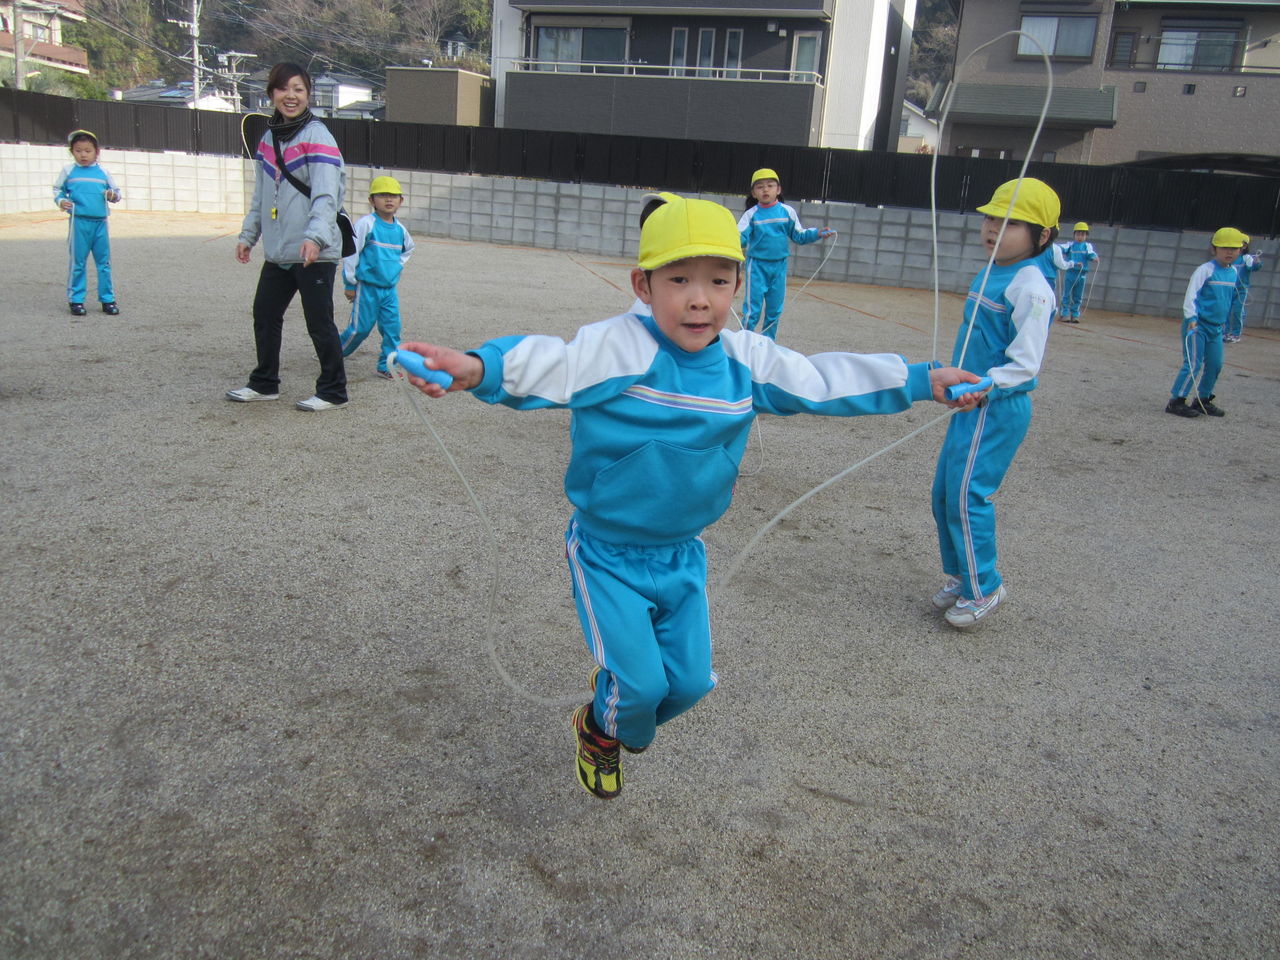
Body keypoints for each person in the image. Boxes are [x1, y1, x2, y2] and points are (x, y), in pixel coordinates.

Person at [398, 193, 981, 799]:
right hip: (607, 553)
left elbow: (822, 379)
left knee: (692, 684)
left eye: (718, 281)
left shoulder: (744, 360)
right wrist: (476, 367)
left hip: (683, 553)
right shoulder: (618, 348)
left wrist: (920, 379)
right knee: (642, 689)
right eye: (678, 279)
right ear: (643, 286)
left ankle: (615, 715)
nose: (699, 298)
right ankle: (602, 728)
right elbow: (553, 363)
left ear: (737, 286)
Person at [931, 178, 1061, 629]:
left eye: (1009, 223)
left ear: (1042, 236)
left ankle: (984, 587)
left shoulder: (1032, 287)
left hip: (996, 407)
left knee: (968, 496)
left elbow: (1024, 365)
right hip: (971, 402)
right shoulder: (991, 271)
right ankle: (963, 576)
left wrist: (984, 387)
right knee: (945, 493)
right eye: (990, 218)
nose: (992, 229)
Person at [227, 62, 349, 412]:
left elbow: (327, 195)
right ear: (271, 94)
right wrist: (248, 235)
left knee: (319, 322)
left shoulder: (318, 136)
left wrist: (316, 237)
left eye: (298, 89)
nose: (290, 96)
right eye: (283, 89)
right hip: (280, 250)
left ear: (308, 94)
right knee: (264, 314)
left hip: (314, 250)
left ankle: (333, 391)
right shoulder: (268, 139)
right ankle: (265, 383)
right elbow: (261, 195)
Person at [736, 168, 834, 340]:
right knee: (752, 310)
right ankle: (744, 343)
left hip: (779, 267)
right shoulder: (750, 215)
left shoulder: (787, 212)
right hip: (756, 266)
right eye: (760, 186)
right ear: (753, 193)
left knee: (774, 311)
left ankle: (768, 344)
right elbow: (740, 238)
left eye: (770, 185)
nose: (765, 190)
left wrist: (817, 233)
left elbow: (799, 235)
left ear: (778, 190)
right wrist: (725, 242)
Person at [339, 175, 416, 379]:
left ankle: (387, 365)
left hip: (389, 290)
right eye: (382, 195)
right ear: (372, 200)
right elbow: (351, 253)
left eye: (393, 196)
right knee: (360, 329)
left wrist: (396, 267)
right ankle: (333, 353)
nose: (388, 199)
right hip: (367, 287)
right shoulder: (366, 224)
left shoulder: (400, 230)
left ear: (401, 201)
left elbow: (408, 249)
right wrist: (350, 282)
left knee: (392, 329)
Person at [1165, 227, 1246, 419]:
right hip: (1198, 325)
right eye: (1224, 248)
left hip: (1216, 327)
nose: (1229, 252)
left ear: (1240, 251)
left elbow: (1227, 299)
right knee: (1193, 363)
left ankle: (1203, 399)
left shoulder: (1233, 272)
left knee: (1216, 364)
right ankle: (1176, 401)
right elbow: (1191, 295)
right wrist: (1192, 318)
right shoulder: (1205, 270)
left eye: (1234, 248)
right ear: (1214, 249)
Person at [53, 129, 122, 316]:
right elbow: (58, 190)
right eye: (78, 150)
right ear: (72, 152)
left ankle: (108, 300)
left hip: (100, 223)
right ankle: (76, 300)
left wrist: (112, 195)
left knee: (104, 262)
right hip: (79, 222)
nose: (83, 155)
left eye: (87, 151)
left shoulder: (103, 172)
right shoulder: (69, 171)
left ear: (96, 152)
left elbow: (117, 193)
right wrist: (61, 201)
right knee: (78, 262)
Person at [1224, 237, 1264, 343]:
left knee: (1238, 312)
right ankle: (1225, 333)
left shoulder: (1246, 258)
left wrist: (1257, 261)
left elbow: (1254, 267)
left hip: (1241, 289)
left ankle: (1236, 334)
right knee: (1226, 311)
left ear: (1246, 246)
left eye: (1243, 244)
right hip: (1229, 288)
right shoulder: (1230, 258)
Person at [1059, 222, 1098, 322]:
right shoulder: (1070, 245)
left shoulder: (1087, 246)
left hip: (1082, 274)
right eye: (1078, 234)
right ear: (1074, 235)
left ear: (1086, 236)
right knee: (1066, 294)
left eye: (1082, 234)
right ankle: (1065, 314)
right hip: (1070, 273)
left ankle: (1075, 314)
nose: (1080, 237)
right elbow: (1059, 248)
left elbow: (1091, 254)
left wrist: (1094, 258)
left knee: (1078, 296)